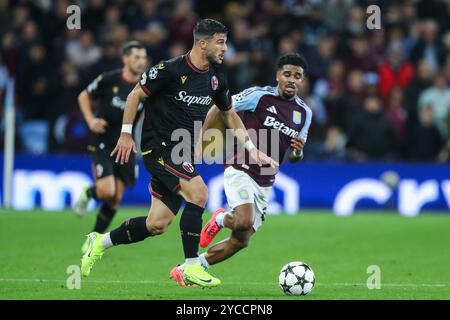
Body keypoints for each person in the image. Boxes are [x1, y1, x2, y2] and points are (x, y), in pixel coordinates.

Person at [80, 19, 277, 288]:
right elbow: (135, 95)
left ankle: (99, 242)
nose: (225, 48)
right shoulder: (169, 70)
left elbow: (229, 114)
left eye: (226, 42)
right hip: (158, 148)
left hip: (181, 151)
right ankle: (191, 266)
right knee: (200, 193)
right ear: (202, 43)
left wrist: (252, 150)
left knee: (156, 224)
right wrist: (126, 133)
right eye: (220, 42)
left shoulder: (217, 77)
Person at [184, 53, 312, 278]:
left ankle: (190, 269)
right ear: (278, 76)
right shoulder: (259, 95)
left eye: (297, 76)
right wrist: (200, 137)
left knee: (241, 240)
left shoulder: (304, 113)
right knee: (244, 220)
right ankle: (222, 218)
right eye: (287, 74)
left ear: (302, 80)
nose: (292, 79)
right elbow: (220, 106)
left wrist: (299, 151)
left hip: (266, 180)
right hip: (241, 167)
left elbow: (294, 157)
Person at [74, 41, 147, 253]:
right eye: (136, 57)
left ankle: (93, 241)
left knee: (115, 198)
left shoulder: (146, 85)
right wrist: (90, 121)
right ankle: (89, 192)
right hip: (104, 139)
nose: (141, 62)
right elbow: (83, 96)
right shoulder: (109, 80)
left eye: (143, 58)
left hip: (127, 143)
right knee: (107, 191)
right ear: (125, 58)